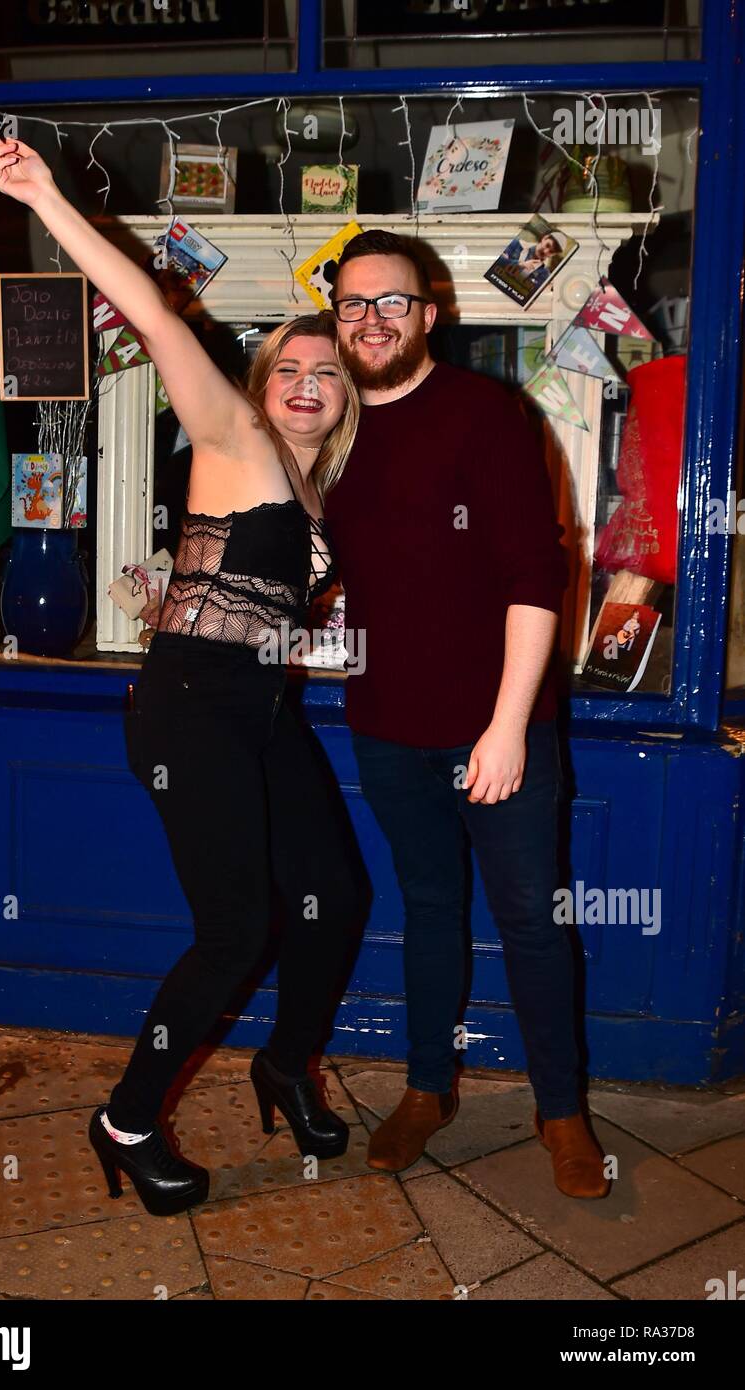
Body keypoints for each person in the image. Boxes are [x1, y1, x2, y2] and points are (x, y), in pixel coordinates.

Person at [0, 122, 365, 1218]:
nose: (303, 381)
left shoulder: (325, 495)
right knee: (236, 926)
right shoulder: (230, 431)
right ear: (261, 380)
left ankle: (285, 1065)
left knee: (333, 896)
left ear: (342, 399)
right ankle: (129, 1117)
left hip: (261, 710)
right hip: (188, 707)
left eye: (323, 371)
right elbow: (151, 309)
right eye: (287, 364)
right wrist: (45, 199)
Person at [324, 228, 610, 1199]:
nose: (370, 320)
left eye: (389, 302)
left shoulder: (483, 413)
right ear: (336, 317)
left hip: (497, 726)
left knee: (531, 919)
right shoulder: (331, 428)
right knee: (427, 909)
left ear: (427, 314)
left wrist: (504, 726)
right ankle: (427, 1087)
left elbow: (537, 573)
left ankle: (560, 1109)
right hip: (383, 725)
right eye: (353, 303)